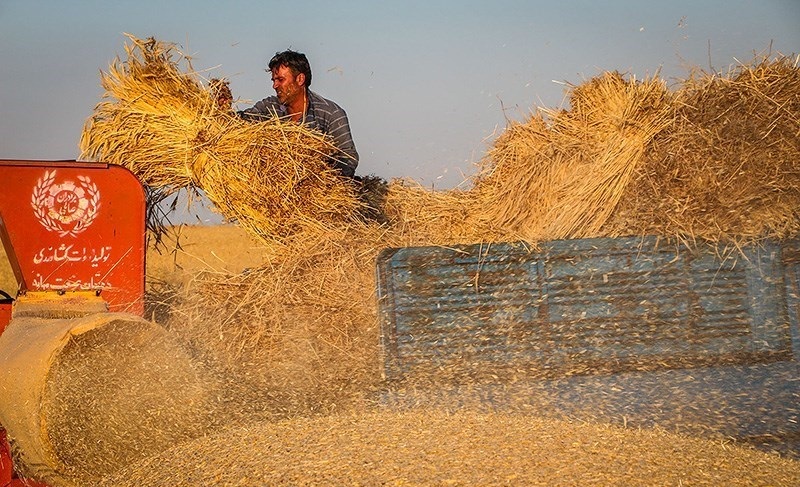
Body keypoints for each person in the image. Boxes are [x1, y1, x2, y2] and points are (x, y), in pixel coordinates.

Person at [240, 50, 359, 178]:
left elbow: (348, 157)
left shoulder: (330, 113)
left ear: (300, 79)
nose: (274, 85)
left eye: (280, 80)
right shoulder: (269, 107)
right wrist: (222, 107)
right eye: (273, 80)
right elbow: (239, 122)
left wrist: (322, 180)